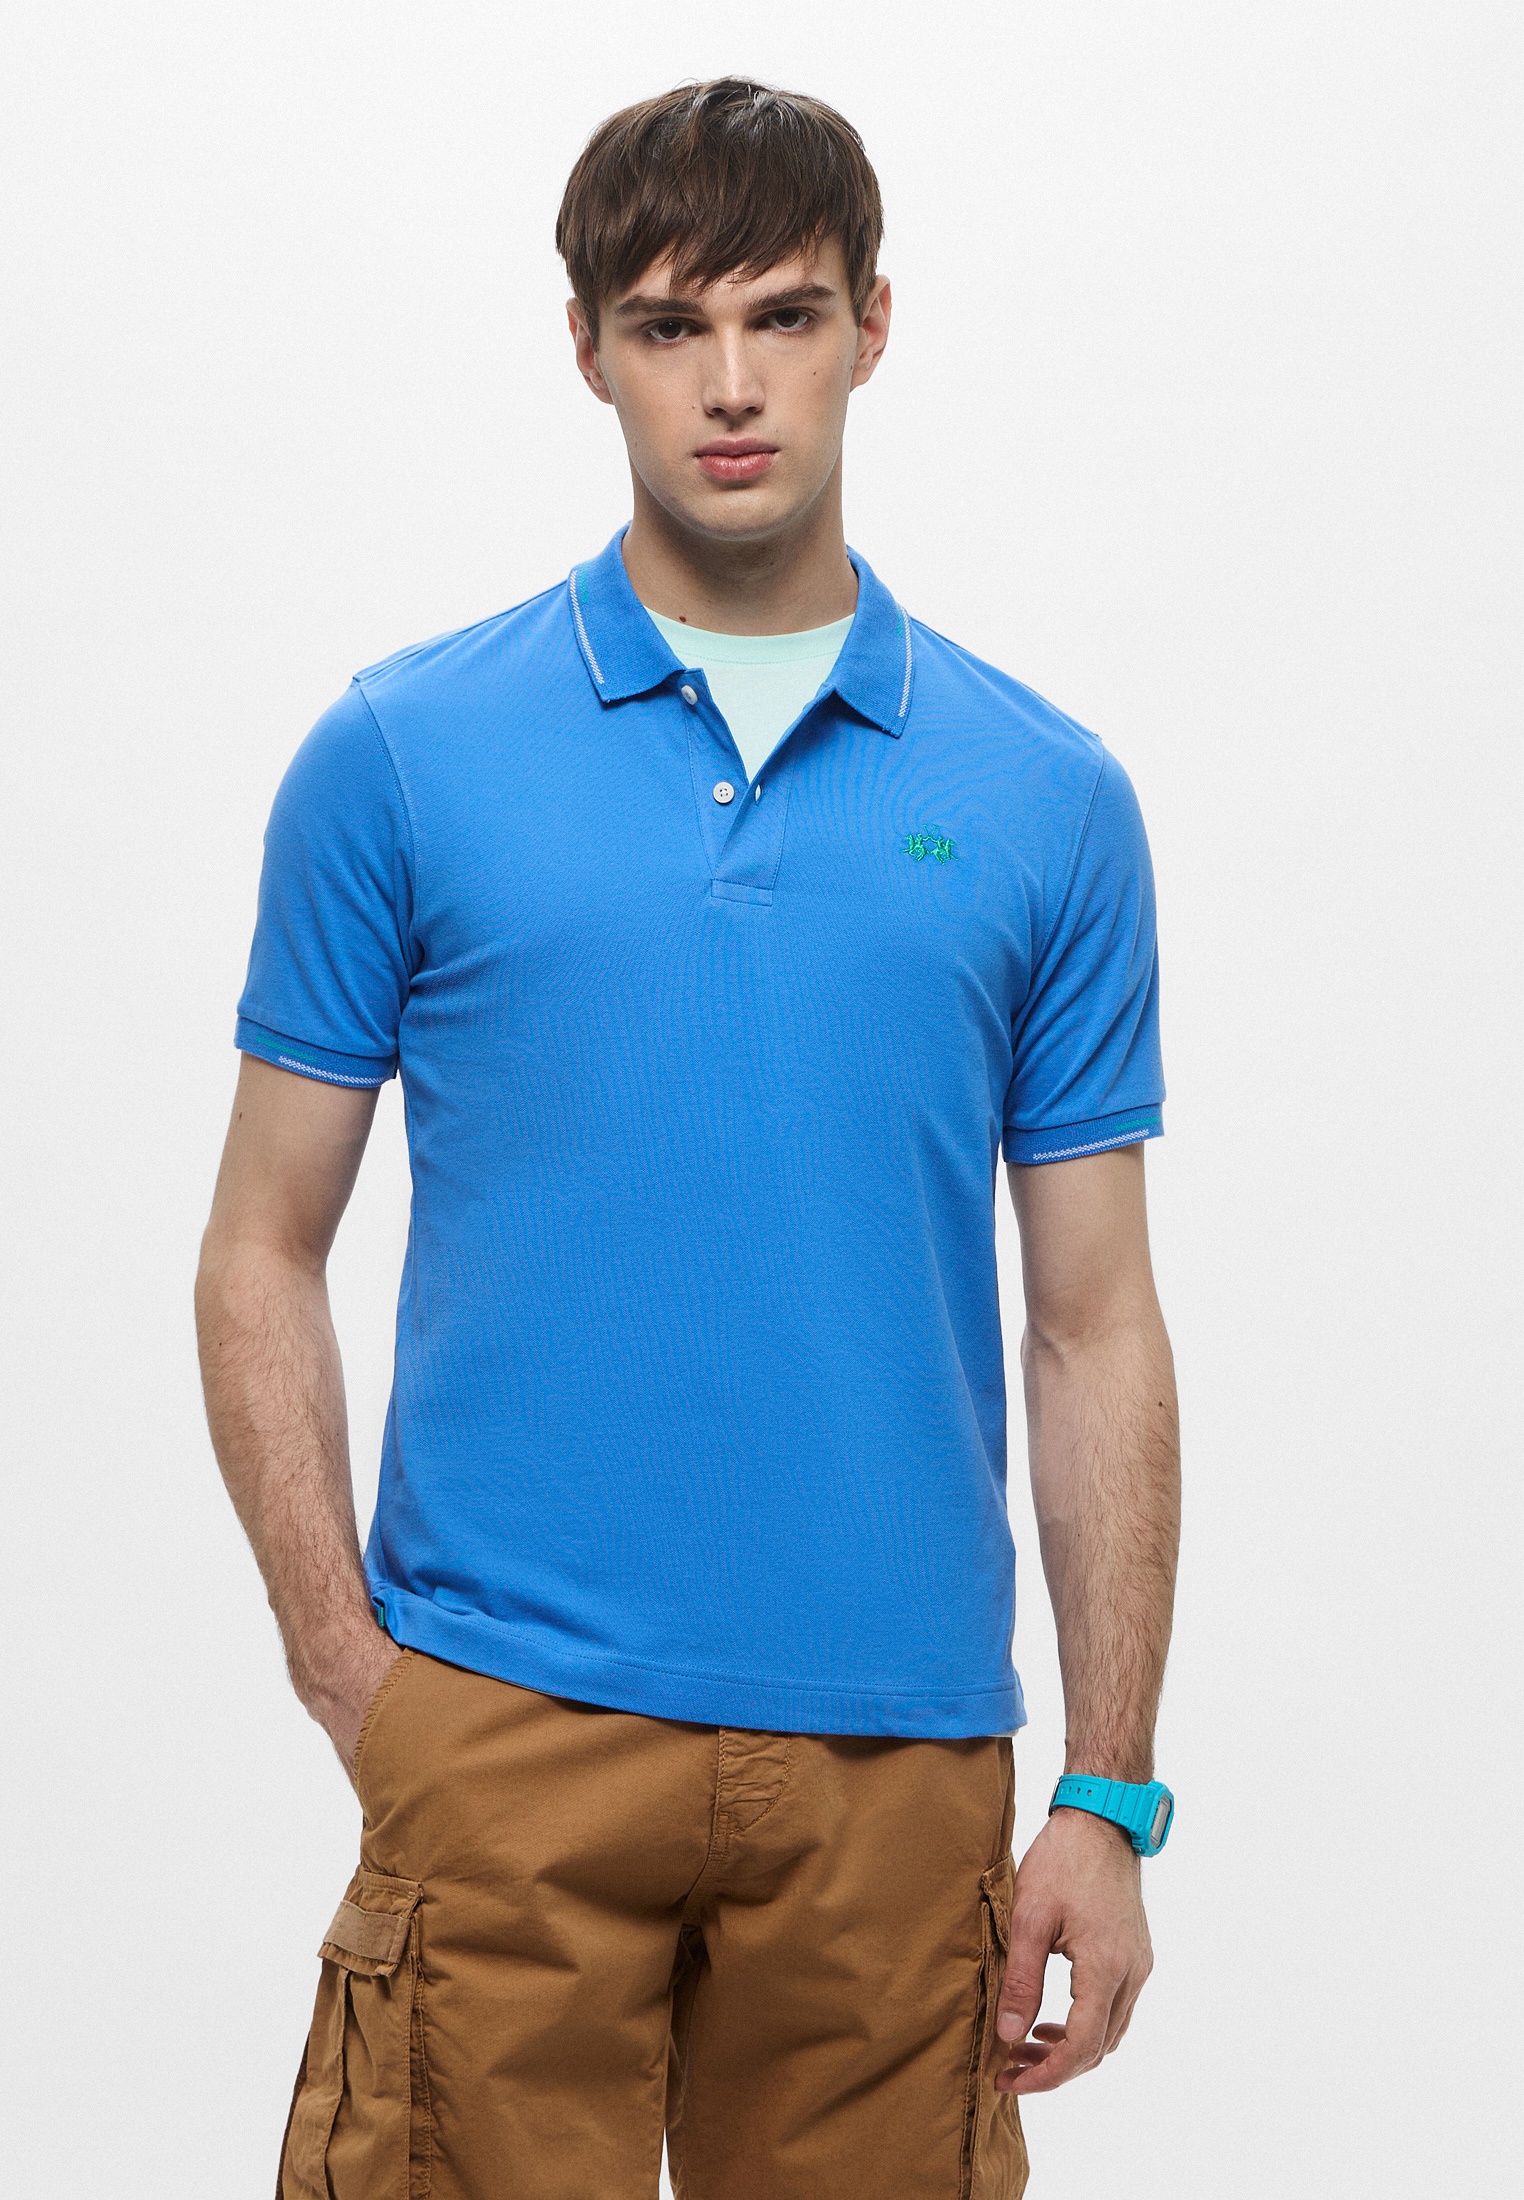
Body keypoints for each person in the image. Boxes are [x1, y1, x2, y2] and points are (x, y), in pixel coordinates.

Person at [195, 77, 1180, 2200]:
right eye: (668, 325)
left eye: (785, 317)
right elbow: (261, 1239)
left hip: (897, 1761)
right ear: (587, 348)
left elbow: (1094, 1320)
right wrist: (353, 1676)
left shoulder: (1045, 795)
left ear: (872, 326)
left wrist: (1109, 1790)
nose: (732, 386)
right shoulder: (401, 754)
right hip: (503, 1728)